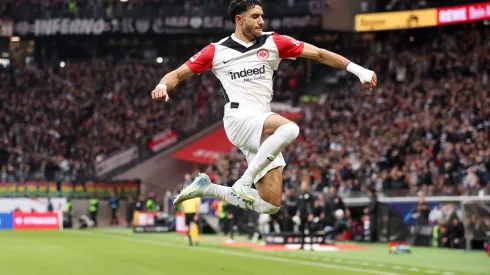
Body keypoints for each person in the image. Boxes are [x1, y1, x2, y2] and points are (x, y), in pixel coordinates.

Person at [156, 0, 377, 215]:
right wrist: (162, 85)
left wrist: (358, 70)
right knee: (290, 129)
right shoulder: (216, 51)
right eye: (255, 16)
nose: (261, 21)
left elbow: (319, 54)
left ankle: (207, 188)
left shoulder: (274, 42)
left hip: (263, 123)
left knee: (269, 205)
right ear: (239, 19)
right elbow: (176, 74)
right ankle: (244, 181)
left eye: (262, 15)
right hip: (239, 117)